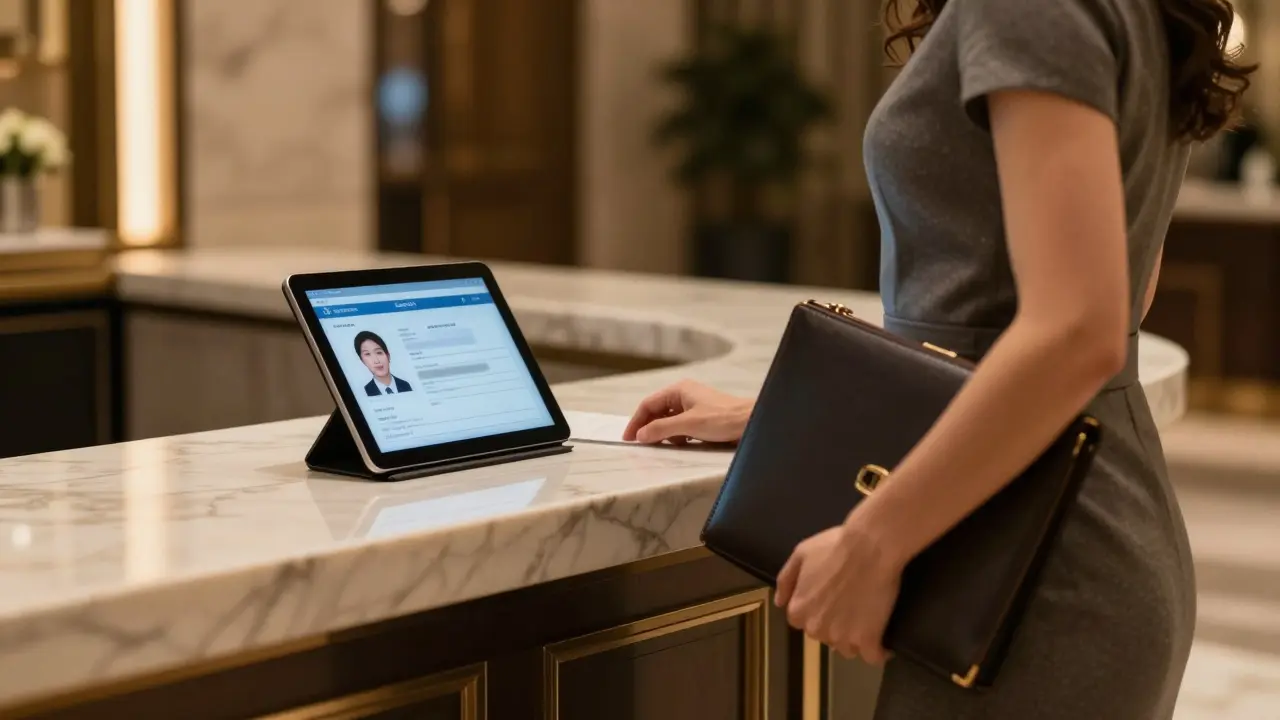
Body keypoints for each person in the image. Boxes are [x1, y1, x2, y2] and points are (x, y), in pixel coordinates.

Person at [623, 1, 1254, 717]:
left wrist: (871, 542)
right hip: (1073, 525)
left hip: (1029, 565)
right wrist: (793, 415)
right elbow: (1106, 299)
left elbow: (1080, 329)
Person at [354, 331, 413, 396]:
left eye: (379, 352)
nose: (376, 361)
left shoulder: (406, 386)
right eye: (367, 354)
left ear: (388, 356)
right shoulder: (364, 392)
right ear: (363, 361)